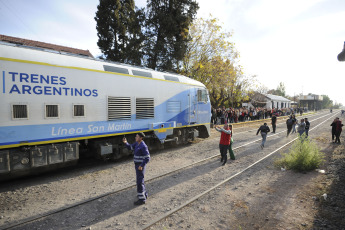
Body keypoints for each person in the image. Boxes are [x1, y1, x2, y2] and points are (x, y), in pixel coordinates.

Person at [123, 133, 150, 205]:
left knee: (139, 182)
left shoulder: (143, 146)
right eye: (136, 136)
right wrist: (126, 143)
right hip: (137, 166)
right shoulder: (137, 144)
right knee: (141, 180)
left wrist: (141, 165)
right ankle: (144, 194)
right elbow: (130, 147)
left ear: (141, 138)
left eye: (137, 136)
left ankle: (142, 199)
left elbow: (147, 158)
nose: (135, 137)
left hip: (140, 167)